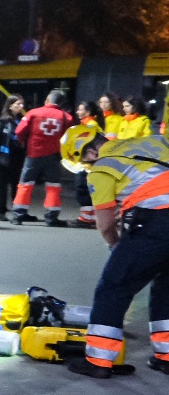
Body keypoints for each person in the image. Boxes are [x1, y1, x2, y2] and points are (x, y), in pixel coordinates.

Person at [65, 130, 169, 379]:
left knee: (113, 288)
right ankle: (166, 357)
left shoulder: (102, 169)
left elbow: (106, 225)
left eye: (85, 162)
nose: (88, 167)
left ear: (91, 152)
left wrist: (116, 247)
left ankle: (99, 361)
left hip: (155, 223)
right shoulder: (152, 141)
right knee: (166, 286)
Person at [10, 88, 72, 225]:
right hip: (54, 156)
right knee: (53, 186)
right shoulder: (66, 117)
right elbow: (68, 137)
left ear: (47, 100)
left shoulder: (33, 113)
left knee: (25, 184)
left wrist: (22, 142)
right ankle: (51, 217)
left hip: (33, 154)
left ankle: (18, 215)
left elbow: (19, 131)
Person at [0, 95, 26, 220]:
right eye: (18, 104)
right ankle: (0, 212)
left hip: (17, 158)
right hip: (3, 158)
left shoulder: (22, 120)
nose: (21, 106)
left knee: (17, 185)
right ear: (10, 106)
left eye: (22, 104)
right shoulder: (4, 121)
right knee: (1, 186)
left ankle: (18, 211)